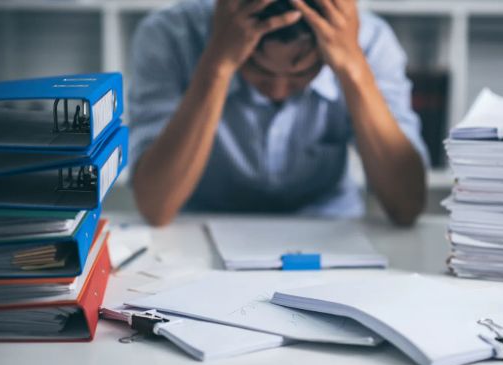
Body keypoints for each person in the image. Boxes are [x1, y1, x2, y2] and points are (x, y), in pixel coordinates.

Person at [129, 0, 429, 227]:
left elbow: (407, 206)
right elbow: (156, 207)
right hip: (200, 228)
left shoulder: (370, 41)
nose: (278, 90)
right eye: (259, 71)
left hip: (330, 230)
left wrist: (353, 69)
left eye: (302, 72)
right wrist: (217, 66)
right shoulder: (168, 35)